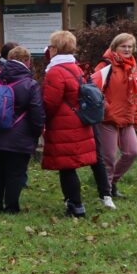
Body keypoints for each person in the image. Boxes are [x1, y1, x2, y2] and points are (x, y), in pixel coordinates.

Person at [0, 46, 45, 213]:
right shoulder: (30, 84)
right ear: (27, 61)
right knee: (15, 174)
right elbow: (37, 113)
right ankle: (11, 207)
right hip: (19, 138)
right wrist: (35, 133)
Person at [42, 30, 98, 218]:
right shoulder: (75, 67)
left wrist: (43, 119)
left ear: (55, 48)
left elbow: (50, 102)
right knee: (69, 165)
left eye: (50, 46)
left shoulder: (55, 71)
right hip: (78, 120)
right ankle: (73, 202)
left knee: (66, 167)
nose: (49, 49)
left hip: (63, 123)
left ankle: (75, 205)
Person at [92, 32, 137, 201]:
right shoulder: (105, 65)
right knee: (108, 157)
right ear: (115, 47)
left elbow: (136, 93)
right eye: (123, 46)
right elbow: (94, 91)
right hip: (108, 118)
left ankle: (111, 183)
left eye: (130, 46)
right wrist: (107, 108)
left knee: (132, 152)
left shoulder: (132, 65)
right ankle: (105, 193)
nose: (127, 49)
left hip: (126, 117)